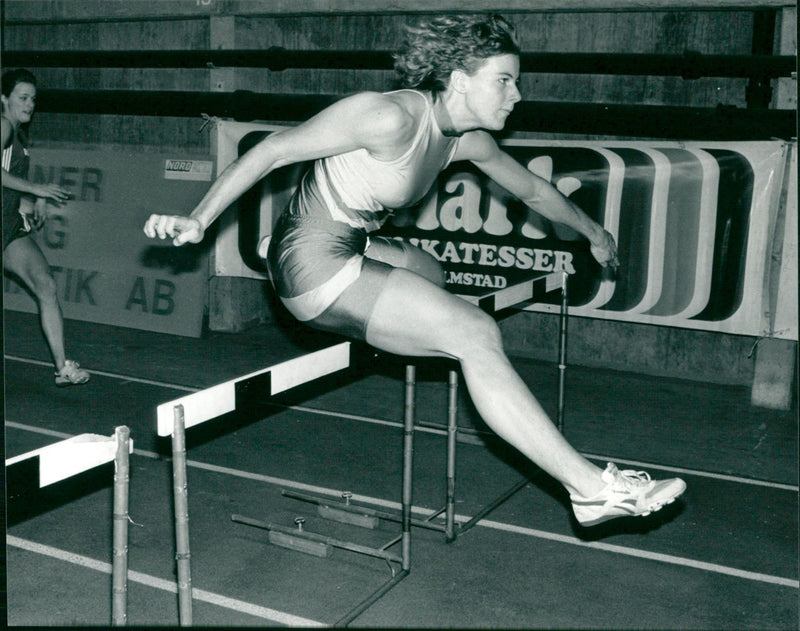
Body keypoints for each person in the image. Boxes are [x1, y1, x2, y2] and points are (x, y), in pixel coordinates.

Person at [144, 14, 685, 527]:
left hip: (353, 241)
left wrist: (592, 231)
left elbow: (534, 191)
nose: (517, 96)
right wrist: (199, 220)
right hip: (314, 262)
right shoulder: (389, 116)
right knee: (474, 333)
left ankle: (280, 252)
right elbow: (272, 152)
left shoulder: (467, 141)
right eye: (504, 81)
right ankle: (590, 490)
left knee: (431, 272)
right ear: (458, 79)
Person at [2, 68, 90, 387]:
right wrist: (37, 189)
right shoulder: (3, 127)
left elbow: (7, 183)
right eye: (22, 98)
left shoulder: (19, 135)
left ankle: (62, 366)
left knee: (46, 285)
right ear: (3, 99)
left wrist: (29, 200)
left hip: (8, 227)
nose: (30, 104)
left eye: (33, 99)